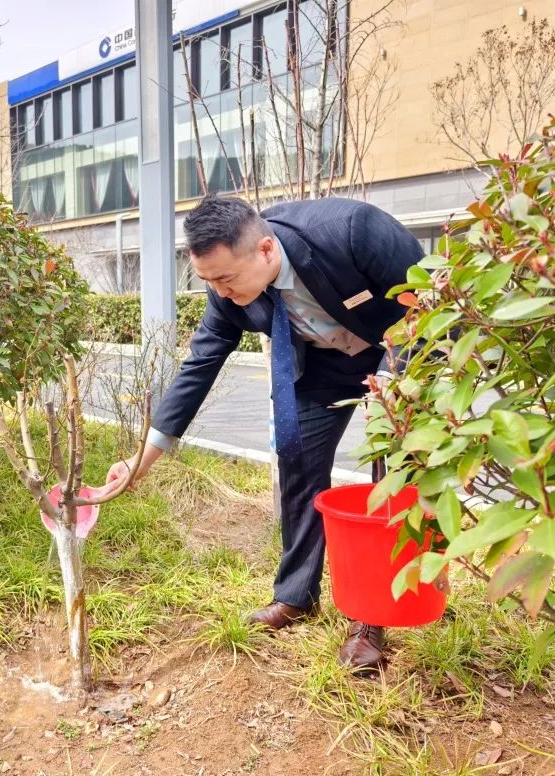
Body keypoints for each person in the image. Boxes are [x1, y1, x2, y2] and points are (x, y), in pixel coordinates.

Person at [106, 194, 424, 675]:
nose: (220, 292)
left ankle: (371, 617)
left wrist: (394, 385)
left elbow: (429, 297)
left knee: (391, 479)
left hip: (396, 356)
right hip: (318, 367)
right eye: (208, 281)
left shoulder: (353, 230)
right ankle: (296, 595)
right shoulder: (227, 290)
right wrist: (140, 461)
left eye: (226, 279)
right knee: (297, 460)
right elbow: (199, 367)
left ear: (267, 251)